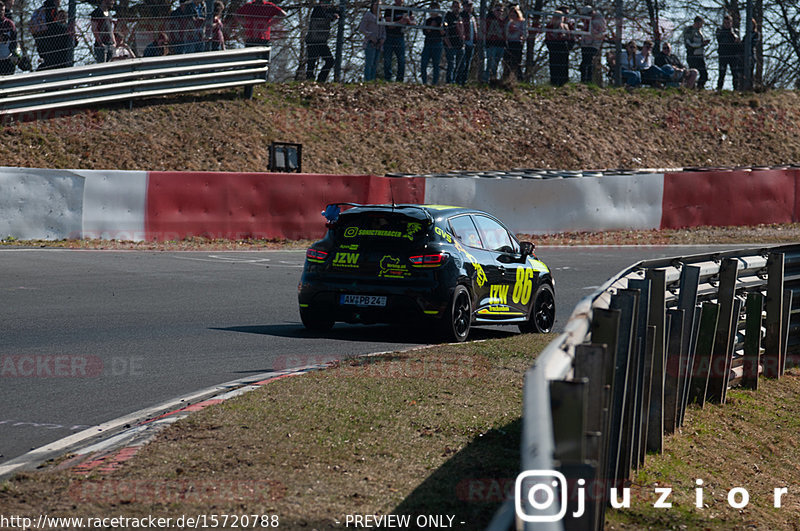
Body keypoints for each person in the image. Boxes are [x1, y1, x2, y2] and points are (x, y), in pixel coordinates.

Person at [236, 0, 285, 94]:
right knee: (253, 63)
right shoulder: (250, 6)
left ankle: (259, 83)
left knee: (260, 62)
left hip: (260, 37)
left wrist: (269, 24)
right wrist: (244, 23)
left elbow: (282, 14)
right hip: (254, 37)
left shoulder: (267, 6)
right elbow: (237, 14)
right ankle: (252, 84)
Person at [305, 0, 338, 82]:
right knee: (311, 62)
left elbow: (338, 12)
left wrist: (335, 13)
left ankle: (321, 79)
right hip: (313, 40)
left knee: (330, 61)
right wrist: (332, 17)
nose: (326, 5)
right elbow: (323, 16)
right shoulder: (317, 9)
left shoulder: (328, 10)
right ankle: (310, 80)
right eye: (325, 2)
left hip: (322, 41)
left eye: (328, 3)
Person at [383, 0, 414, 82]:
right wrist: (400, 22)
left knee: (401, 59)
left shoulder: (407, 9)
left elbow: (414, 22)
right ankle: (387, 79)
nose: (399, 1)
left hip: (400, 36)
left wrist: (408, 21)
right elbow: (389, 24)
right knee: (387, 59)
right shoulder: (389, 9)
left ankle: (400, 79)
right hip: (389, 37)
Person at [544, 10, 573, 86]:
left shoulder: (565, 26)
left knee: (563, 65)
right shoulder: (549, 26)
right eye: (556, 17)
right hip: (553, 46)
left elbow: (569, 36)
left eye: (559, 17)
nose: (557, 19)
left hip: (563, 46)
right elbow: (547, 36)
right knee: (554, 64)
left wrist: (568, 45)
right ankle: (554, 81)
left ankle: (563, 82)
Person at [358, 0, 384, 81]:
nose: (377, 6)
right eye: (376, 4)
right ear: (372, 5)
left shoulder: (381, 17)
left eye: (379, 5)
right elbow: (361, 28)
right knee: (369, 63)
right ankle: (367, 80)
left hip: (379, 44)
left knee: (375, 64)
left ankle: (372, 80)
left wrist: (383, 38)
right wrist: (371, 36)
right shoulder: (368, 15)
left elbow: (383, 30)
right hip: (370, 43)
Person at [578, 5, 605, 84]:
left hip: (594, 44)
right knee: (585, 61)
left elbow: (598, 32)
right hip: (586, 43)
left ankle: (588, 80)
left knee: (588, 62)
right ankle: (583, 80)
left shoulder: (599, 19)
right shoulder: (588, 20)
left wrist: (589, 25)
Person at [716, 14, 741, 91]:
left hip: (733, 55)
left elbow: (737, 41)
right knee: (722, 73)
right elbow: (719, 39)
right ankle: (719, 89)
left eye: (728, 23)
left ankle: (736, 89)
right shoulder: (720, 31)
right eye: (725, 23)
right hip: (723, 55)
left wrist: (732, 33)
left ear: (731, 23)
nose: (727, 24)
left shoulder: (735, 31)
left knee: (735, 73)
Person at [683, 15, 709, 89]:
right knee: (692, 74)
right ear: (697, 23)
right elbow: (689, 44)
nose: (701, 26)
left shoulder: (699, 32)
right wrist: (701, 44)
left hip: (700, 55)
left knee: (704, 75)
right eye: (701, 24)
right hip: (692, 56)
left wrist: (703, 43)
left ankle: (700, 87)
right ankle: (690, 88)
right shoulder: (689, 30)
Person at [420, 2, 443, 85]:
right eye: (431, 9)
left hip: (437, 44)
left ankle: (434, 83)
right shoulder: (427, 21)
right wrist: (431, 26)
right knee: (423, 63)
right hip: (428, 44)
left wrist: (439, 27)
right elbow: (425, 32)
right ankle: (424, 82)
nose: (433, 11)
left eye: (435, 9)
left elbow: (443, 32)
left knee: (436, 65)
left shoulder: (441, 19)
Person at [483, 3, 505, 82]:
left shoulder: (502, 22)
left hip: (500, 46)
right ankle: (486, 80)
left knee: (496, 65)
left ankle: (493, 80)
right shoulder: (488, 19)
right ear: (494, 11)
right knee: (490, 64)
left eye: (501, 11)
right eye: (498, 10)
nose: (499, 12)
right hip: (491, 45)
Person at [503, 3, 525, 81]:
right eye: (511, 15)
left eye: (514, 15)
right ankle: (507, 79)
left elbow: (525, 33)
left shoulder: (522, 22)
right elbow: (505, 32)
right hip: (509, 42)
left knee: (516, 62)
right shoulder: (509, 22)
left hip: (517, 43)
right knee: (508, 61)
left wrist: (517, 30)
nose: (512, 17)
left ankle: (519, 79)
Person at [442, 0, 463, 84]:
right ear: (452, 7)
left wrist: (463, 43)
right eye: (455, 7)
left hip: (460, 45)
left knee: (459, 66)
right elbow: (444, 32)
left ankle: (456, 82)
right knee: (451, 65)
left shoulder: (460, 17)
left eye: (458, 7)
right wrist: (448, 44)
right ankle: (449, 82)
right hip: (450, 45)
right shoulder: (448, 16)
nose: (457, 9)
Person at [456, 0, 476, 84]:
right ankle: (458, 81)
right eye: (467, 6)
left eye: (470, 6)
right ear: (463, 6)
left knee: (468, 63)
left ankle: (464, 81)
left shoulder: (472, 17)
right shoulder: (461, 16)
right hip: (463, 43)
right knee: (462, 64)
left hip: (471, 43)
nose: (469, 8)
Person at [0, 1, 18, 75]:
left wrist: (13, 53)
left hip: (7, 59)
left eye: (2, 10)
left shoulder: (9, 24)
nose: (0, 12)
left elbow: (14, 40)